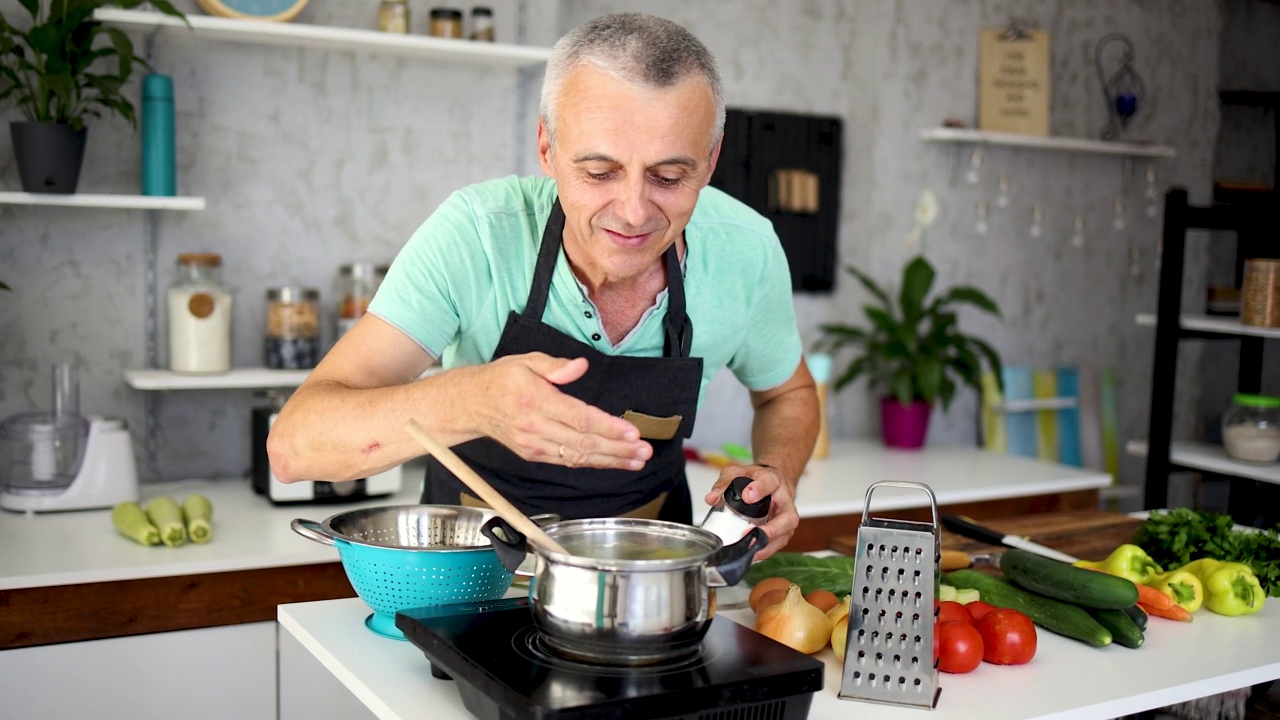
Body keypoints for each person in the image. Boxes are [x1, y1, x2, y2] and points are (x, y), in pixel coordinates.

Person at [267, 12, 818, 559]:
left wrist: (774, 472)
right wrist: (473, 400)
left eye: (669, 177)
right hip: (469, 579)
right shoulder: (477, 234)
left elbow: (787, 394)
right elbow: (294, 447)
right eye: (599, 172)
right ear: (547, 149)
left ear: (711, 160)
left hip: (647, 586)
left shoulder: (747, 248)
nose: (632, 212)